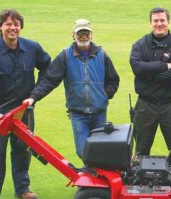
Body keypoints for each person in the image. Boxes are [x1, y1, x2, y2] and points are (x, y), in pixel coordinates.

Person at [0, 9, 51, 199]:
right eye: (8, 24)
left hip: (23, 110)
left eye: (16, 24)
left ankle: (22, 188)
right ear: (0, 26)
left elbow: (48, 68)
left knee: (22, 151)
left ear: (21, 27)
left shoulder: (32, 48)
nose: (13, 28)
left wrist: (35, 95)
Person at [25, 18, 120, 158]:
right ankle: (92, 176)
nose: (83, 36)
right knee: (83, 151)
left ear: (92, 35)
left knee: (100, 150)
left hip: (99, 112)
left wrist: (104, 95)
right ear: (73, 35)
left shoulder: (101, 54)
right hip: (78, 114)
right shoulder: (65, 56)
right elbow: (50, 79)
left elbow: (113, 79)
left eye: (86, 33)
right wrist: (34, 97)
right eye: (80, 33)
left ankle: (96, 178)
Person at [130, 7, 171, 155]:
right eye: (155, 20)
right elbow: (137, 68)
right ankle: (139, 178)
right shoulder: (139, 45)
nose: (159, 23)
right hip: (145, 106)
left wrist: (150, 76)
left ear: (168, 22)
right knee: (141, 151)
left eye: (162, 20)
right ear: (150, 23)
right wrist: (164, 66)